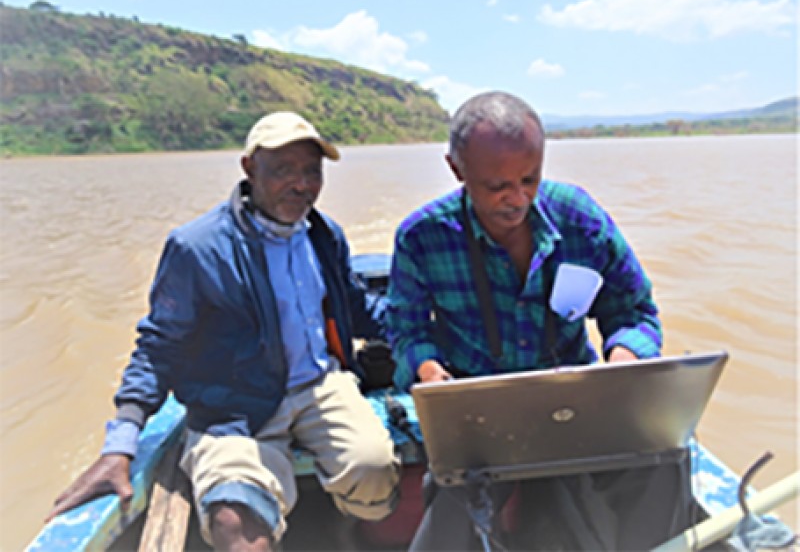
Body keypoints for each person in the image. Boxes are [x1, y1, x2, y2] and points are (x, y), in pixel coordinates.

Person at [46, 112, 400, 551]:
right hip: (235, 406)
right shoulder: (197, 248)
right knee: (235, 519)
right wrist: (119, 446)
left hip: (319, 387)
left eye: (312, 171)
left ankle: (344, 532)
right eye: (284, 170)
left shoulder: (324, 235)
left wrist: (425, 339)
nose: (302, 184)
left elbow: (360, 309)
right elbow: (158, 347)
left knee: (376, 468)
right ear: (249, 168)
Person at [387, 91, 694, 550]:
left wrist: (622, 360)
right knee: (454, 511)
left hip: (575, 399)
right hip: (478, 411)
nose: (517, 198)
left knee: (665, 459)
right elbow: (408, 330)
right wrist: (432, 374)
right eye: (497, 187)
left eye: (530, 179)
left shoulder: (580, 217)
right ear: (457, 170)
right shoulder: (421, 237)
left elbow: (632, 309)